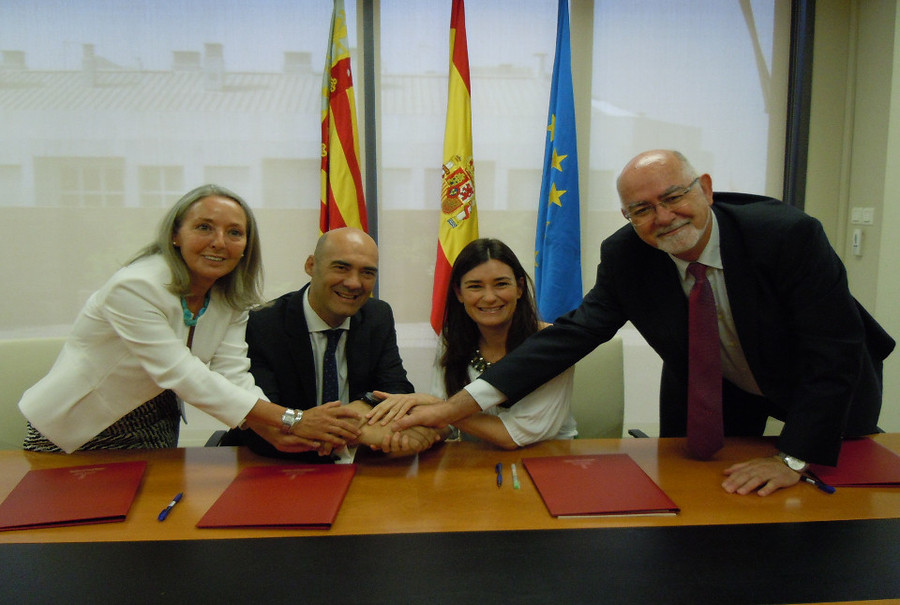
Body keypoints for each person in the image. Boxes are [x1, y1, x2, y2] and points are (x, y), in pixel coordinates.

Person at [390, 149, 895, 496]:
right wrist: (453, 407)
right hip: (718, 388)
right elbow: (573, 335)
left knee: (837, 501)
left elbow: (834, 349)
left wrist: (793, 458)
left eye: (673, 197)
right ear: (628, 216)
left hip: (826, 383)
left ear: (706, 189)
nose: (663, 217)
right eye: (642, 209)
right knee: (702, 496)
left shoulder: (787, 236)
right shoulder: (627, 255)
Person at [19, 184, 361, 453]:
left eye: (234, 233)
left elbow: (232, 372)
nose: (219, 242)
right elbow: (182, 373)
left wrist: (272, 429)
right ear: (175, 234)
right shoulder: (134, 287)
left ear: (246, 245)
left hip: (156, 422)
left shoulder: (228, 295)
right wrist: (291, 419)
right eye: (204, 227)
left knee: (152, 520)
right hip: (76, 430)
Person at [222, 226, 445, 461]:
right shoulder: (263, 323)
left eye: (367, 272)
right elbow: (264, 417)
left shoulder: (376, 316)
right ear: (311, 265)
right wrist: (361, 430)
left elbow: (397, 391)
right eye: (341, 268)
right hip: (274, 463)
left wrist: (362, 406)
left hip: (360, 463)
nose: (354, 283)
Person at [366, 238, 576, 449]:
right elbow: (447, 424)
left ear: (520, 288)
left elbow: (514, 434)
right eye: (475, 286)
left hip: (548, 458)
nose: (490, 297)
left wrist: (438, 408)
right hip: (475, 458)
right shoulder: (452, 337)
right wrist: (413, 435)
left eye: (501, 284)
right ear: (459, 293)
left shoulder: (551, 343)